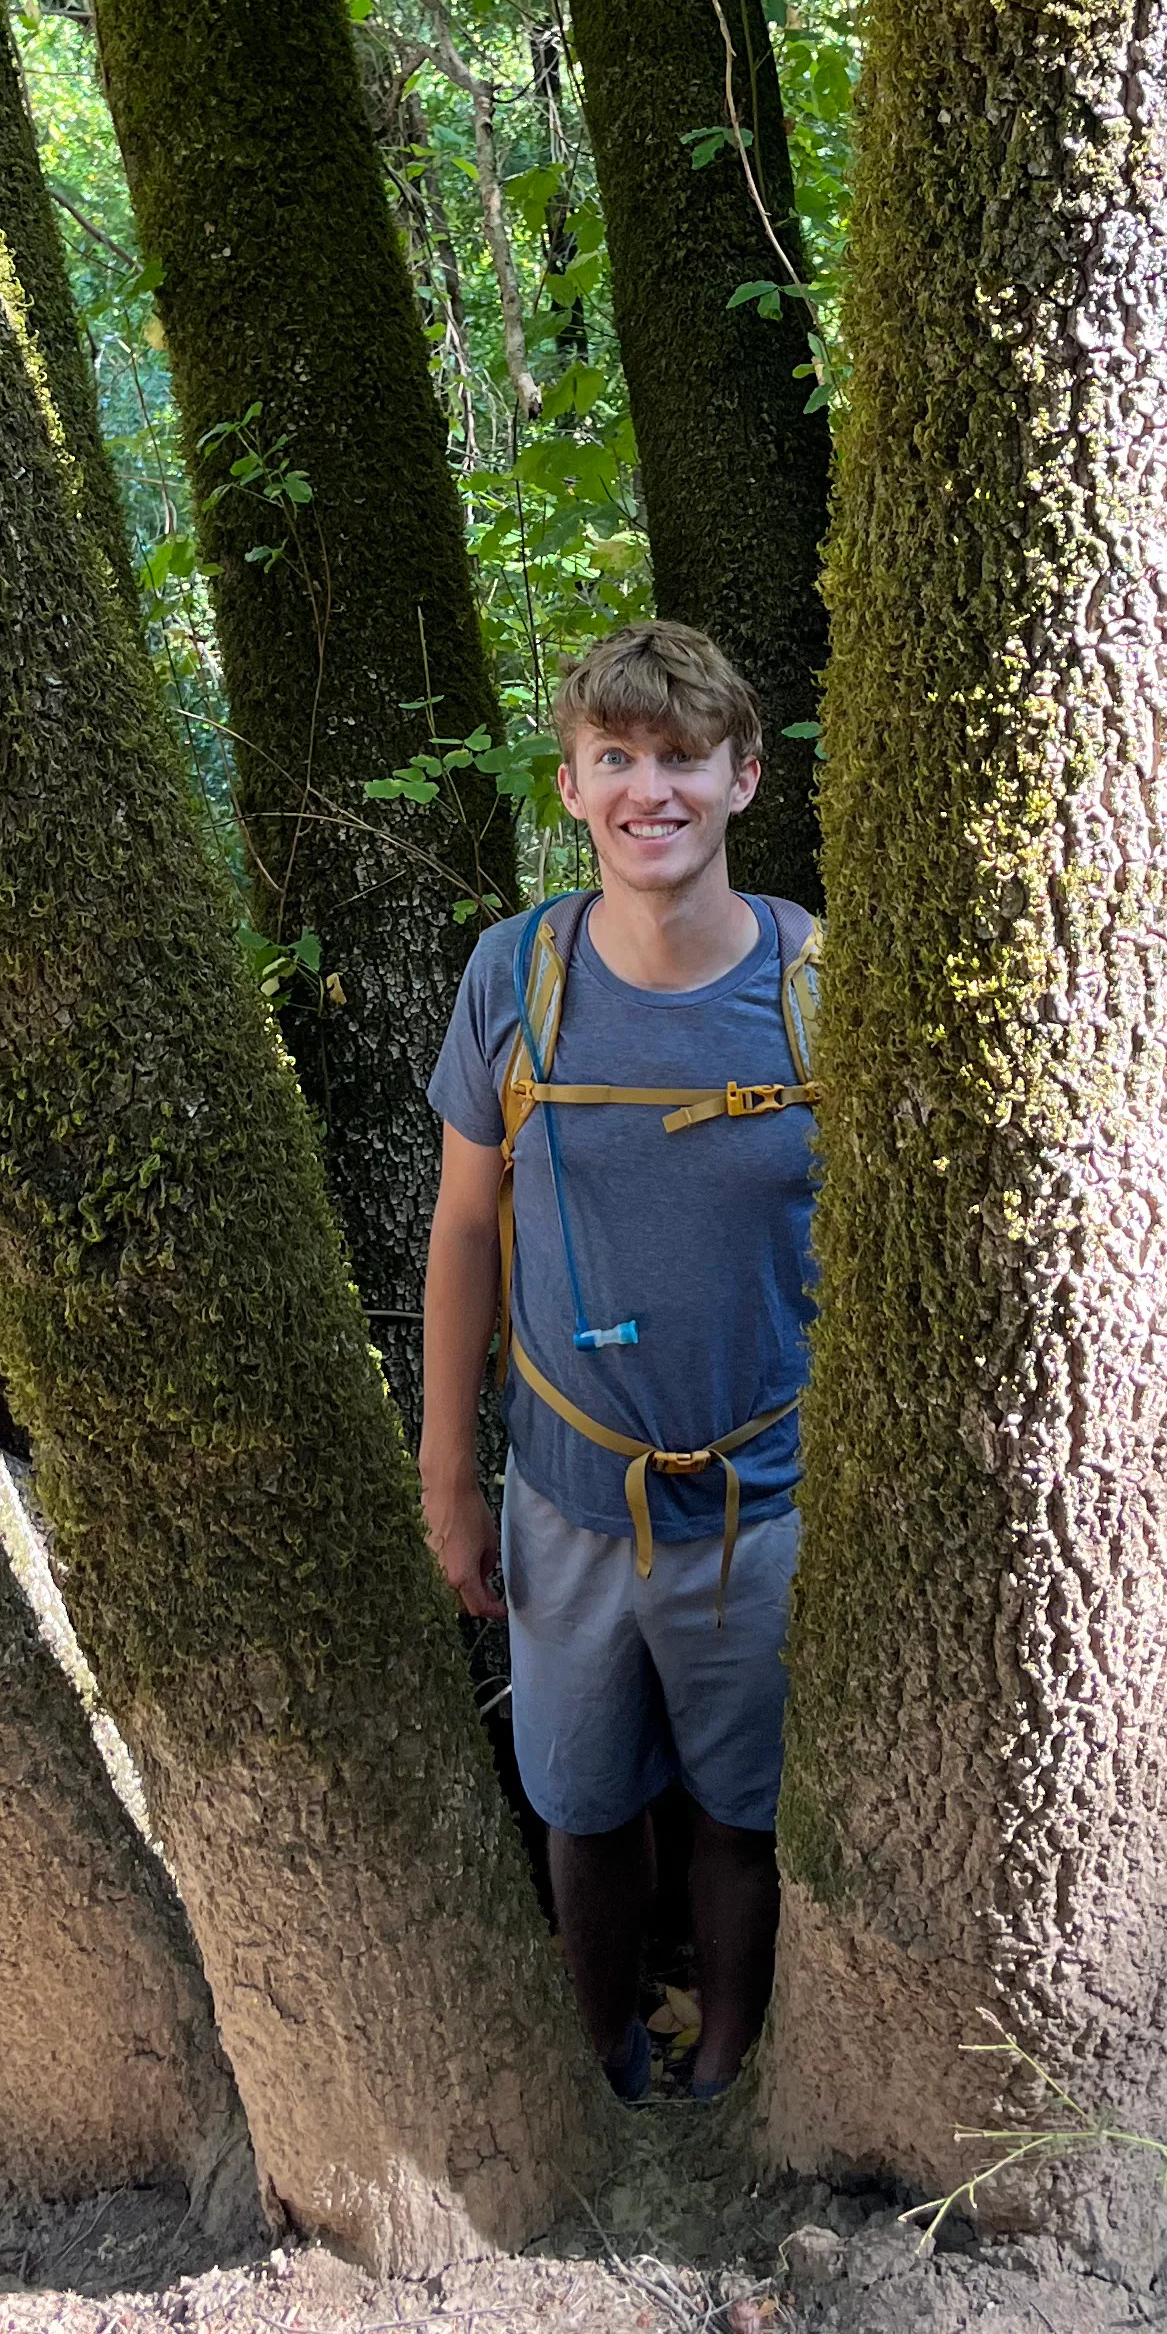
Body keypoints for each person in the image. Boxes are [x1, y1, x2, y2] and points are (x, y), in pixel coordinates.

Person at [420, 620, 817, 2104]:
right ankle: (600, 2058)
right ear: (575, 791)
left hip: (766, 1504)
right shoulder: (515, 977)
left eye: (682, 760)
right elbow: (466, 1229)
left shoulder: (817, 984)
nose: (652, 791)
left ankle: (723, 2062)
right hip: (568, 1495)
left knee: (745, 1807)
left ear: (743, 779)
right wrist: (450, 1478)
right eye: (617, 761)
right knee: (582, 1803)